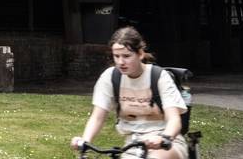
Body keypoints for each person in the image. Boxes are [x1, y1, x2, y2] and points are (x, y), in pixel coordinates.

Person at [74, 26, 188, 155]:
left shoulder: (158, 76)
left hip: (167, 143)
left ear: (140, 54)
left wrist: (165, 138)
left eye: (126, 56)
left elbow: (174, 119)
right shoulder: (110, 77)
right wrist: (85, 140)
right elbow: (97, 117)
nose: (120, 62)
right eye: (116, 56)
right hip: (133, 144)